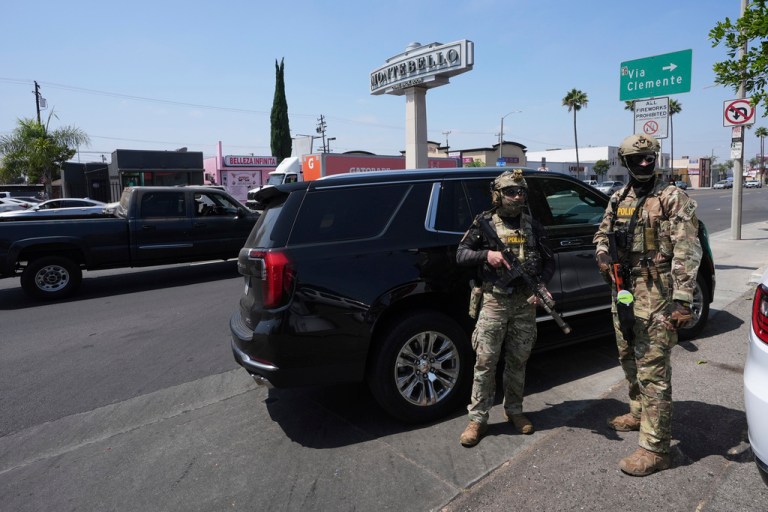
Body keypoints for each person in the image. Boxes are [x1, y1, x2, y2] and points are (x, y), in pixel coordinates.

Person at [593, 134, 702, 476]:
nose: (645, 162)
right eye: (637, 158)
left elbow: (687, 248)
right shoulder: (619, 198)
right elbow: (601, 233)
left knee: (653, 369)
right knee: (627, 355)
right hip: (624, 290)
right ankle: (638, 410)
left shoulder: (672, 196)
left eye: (649, 156)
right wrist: (602, 254)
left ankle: (656, 448)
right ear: (625, 162)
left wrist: (683, 299)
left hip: (658, 291)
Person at [456, 169, 555, 447]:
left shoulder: (532, 226)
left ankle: (514, 411)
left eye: (521, 191)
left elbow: (549, 263)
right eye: (511, 191)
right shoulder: (484, 223)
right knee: (485, 362)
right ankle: (477, 419)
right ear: (498, 195)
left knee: (518, 360)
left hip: (524, 304)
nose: (517, 196)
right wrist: (488, 254)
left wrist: (542, 287)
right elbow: (461, 254)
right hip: (494, 302)